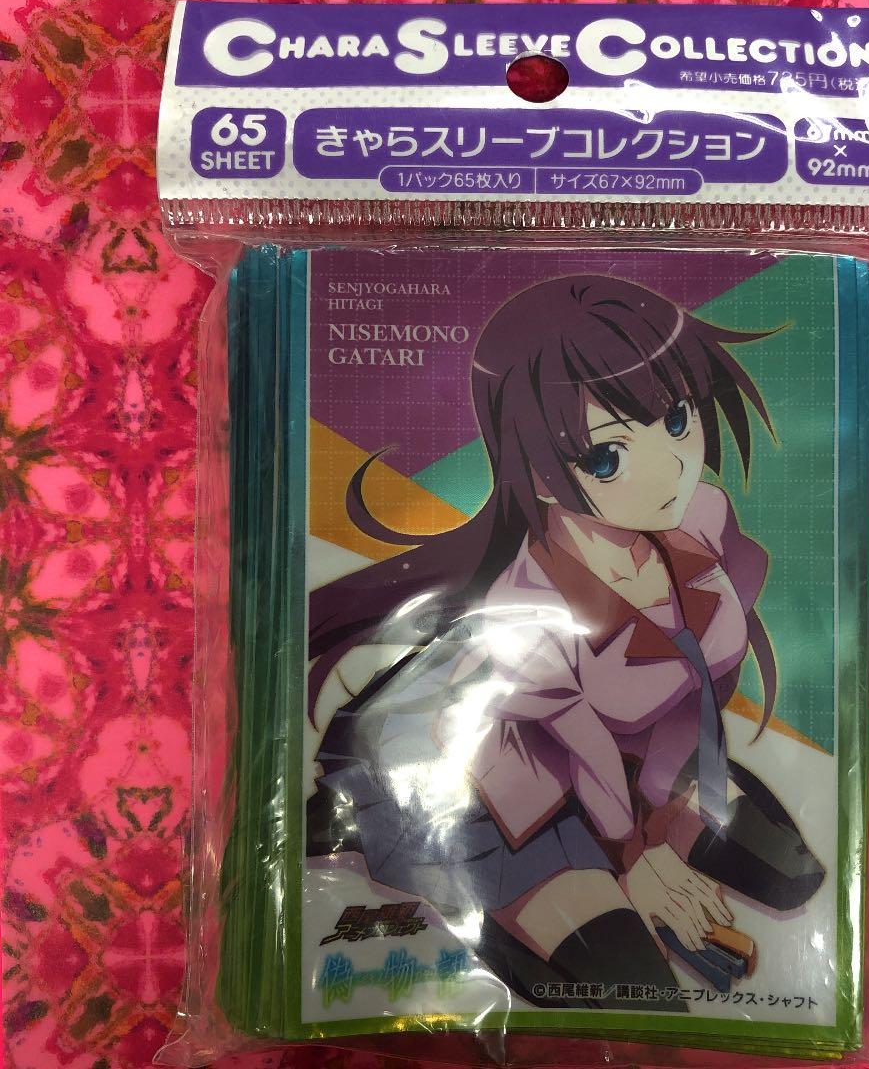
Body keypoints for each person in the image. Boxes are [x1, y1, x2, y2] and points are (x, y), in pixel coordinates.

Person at [307, 275, 825, 1011]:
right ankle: (492, 911)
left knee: (792, 872)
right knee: (635, 993)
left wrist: (670, 798)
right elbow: (581, 765)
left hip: (627, 755)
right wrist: (634, 861)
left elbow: (695, 695)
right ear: (543, 478)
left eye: (677, 419)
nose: (671, 467)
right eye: (607, 456)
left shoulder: (700, 520)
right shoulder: (531, 605)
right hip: (488, 786)